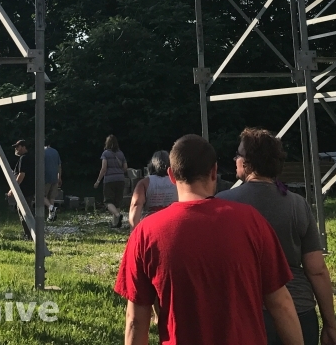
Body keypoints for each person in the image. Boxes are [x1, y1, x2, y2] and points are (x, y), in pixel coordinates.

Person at [115, 134, 303, 345]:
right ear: (214, 171)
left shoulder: (145, 233)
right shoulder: (251, 222)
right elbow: (281, 304)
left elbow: (136, 321)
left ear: (171, 175)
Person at [218, 128, 336, 345]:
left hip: (247, 313)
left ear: (247, 162)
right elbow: (317, 269)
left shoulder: (222, 204)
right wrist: (330, 324)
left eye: (238, 154)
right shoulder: (297, 204)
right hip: (299, 309)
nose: (235, 159)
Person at [128, 150, 177, 227]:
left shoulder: (144, 183)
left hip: (150, 225)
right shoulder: (178, 182)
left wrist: (134, 229)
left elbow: (136, 205)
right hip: (172, 223)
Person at [94, 134, 127, 227]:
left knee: (108, 201)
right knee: (117, 202)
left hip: (109, 180)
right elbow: (125, 167)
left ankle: (117, 215)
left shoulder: (105, 153)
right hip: (120, 179)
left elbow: (104, 168)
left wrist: (98, 181)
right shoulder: (121, 153)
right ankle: (115, 223)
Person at [6, 139, 35, 240]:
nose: (16, 149)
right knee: (27, 211)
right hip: (30, 189)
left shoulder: (24, 158)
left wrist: (14, 189)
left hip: (24, 190)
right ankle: (31, 233)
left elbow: (22, 174)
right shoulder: (30, 157)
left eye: (17, 147)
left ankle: (29, 235)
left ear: (23, 147)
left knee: (24, 212)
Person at [44, 142, 62, 221]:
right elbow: (59, 166)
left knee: (40, 196)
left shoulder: (41, 152)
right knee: (51, 197)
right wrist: (59, 178)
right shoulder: (55, 152)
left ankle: (51, 208)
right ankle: (51, 216)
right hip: (54, 177)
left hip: (45, 178)